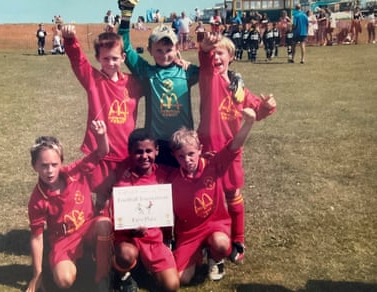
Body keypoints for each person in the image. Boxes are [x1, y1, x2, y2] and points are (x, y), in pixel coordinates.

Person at [197, 33, 276, 264]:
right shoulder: (207, 75)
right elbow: (204, 58)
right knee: (206, 194)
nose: (216, 56)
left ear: (231, 57)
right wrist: (206, 48)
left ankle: (238, 240)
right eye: (214, 53)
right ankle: (206, 238)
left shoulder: (238, 87)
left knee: (233, 193)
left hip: (232, 149)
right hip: (207, 148)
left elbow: (256, 111)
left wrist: (268, 106)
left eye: (220, 52)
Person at [170, 108, 256, 284]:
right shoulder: (173, 180)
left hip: (214, 225)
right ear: (175, 157)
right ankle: (198, 253)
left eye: (191, 154)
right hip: (189, 234)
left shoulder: (213, 165)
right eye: (181, 156)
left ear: (200, 150)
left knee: (222, 244)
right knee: (181, 279)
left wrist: (248, 123)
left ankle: (215, 257)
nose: (187, 160)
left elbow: (234, 146)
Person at [61, 25, 143, 208]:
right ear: (98, 58)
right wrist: (70, 40)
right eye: (106, 58)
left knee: (124, 198)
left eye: (115, 58)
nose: (111, 63)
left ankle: (121, 236)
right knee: (103, 200)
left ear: (123, 58)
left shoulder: (134, 83)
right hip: (101, 153)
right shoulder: (93, 80)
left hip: (125, 152)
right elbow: (78, 61)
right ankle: (101, 233)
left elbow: (156, 80)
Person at [26, 121, 113, 292]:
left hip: (88, 228)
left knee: (104, 224)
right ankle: (81, 262)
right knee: (64, 281)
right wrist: (37, 275)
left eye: (54, 165)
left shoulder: (76, 171)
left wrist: (101, 135)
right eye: (44, 166)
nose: (50, 171)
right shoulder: (37, 200)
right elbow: (36, 238)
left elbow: (102, 151)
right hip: (63, 240)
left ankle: (102, 278)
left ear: (61, 162)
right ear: (34, 166)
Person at [117, 0, 200, 167]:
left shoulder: (187, 71)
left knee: (182, 187)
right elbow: (124, 46)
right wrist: (126, 16)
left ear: (177, 48)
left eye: (169, 50)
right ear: (150, 50)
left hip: (183, 143)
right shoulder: (146, 72)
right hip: (157, 144)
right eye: (159, 50)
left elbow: (214, 72)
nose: (164, 55)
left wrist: (235, 78)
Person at [109, 129, 180, 292]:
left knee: (172, 286)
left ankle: (142, 267)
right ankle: (121, 274)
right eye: (138, 152)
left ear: (157, 150)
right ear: (130, 153)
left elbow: (187, 173)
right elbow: (116, 218)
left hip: (154, 239)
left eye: (148, 151)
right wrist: (131, 230)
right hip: (129, 239)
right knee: (126, 254)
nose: (144, 156)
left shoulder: (164, 174)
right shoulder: (123, 183)